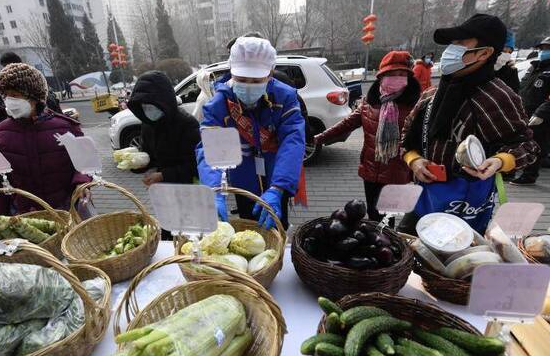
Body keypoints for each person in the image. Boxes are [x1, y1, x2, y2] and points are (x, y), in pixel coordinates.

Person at [399, 14, 538, 234]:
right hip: (425, 196)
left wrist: (499, 161)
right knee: (405, 252)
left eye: (461, 44)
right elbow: (408, 134)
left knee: (455, 263)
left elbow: (526, 146)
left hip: (465, 204)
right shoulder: (433, 94)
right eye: (451, 44)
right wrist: (413, 160)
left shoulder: (496, 97)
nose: (449, 51)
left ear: (484, 53)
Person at [197, 37, 305, 230]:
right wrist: (214, 190)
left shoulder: (285, 97)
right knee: (249, 225)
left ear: (270, 74)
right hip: (243, 179)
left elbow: (293, 141)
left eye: (256, 80)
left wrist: (278, 188)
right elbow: (210, 149)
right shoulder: (220, 103)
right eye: (241, 79)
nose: (248, 85)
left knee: (277, 225)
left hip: (277, 176)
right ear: (231, 72)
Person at [316, 51, 419, 221]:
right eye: (392, 74)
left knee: (387, 217)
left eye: (402, 74)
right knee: (372, 213)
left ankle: (386, 241)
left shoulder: (415, 106)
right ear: (382, 77)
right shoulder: (369, 102)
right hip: (371, 169)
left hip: (397, 171)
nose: (397, 78)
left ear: (409, 77)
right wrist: (320, 137)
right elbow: (347, 123)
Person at [0, 63, 91, 214]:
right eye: (6, 95)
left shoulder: (65, 127)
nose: (10, 101)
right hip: (24, 214)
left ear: (35, 97)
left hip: (65, 209)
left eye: (15, 95)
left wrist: (81, 183)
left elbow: (85, 164)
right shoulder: (2, 131)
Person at [127, 70, 201, 187]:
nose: (147, 110)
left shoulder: (187, 124)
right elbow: (149, 156)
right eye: (144, 106)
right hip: (162, 191)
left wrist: (164, 175)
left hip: (188, 189)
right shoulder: (148, 124)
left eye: (150, 105)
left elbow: (196, 166)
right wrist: (137, 164)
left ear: (163, 101)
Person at [510, 37, 550, 185]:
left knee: (537, 144)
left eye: (548, 48)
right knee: (520, 141)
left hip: (541, 114)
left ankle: (529, 175)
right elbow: (523, 88)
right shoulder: (534, 67)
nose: (544, 51)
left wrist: (542, 112)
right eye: (543, 48)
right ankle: (512, 170)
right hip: (524, 111)